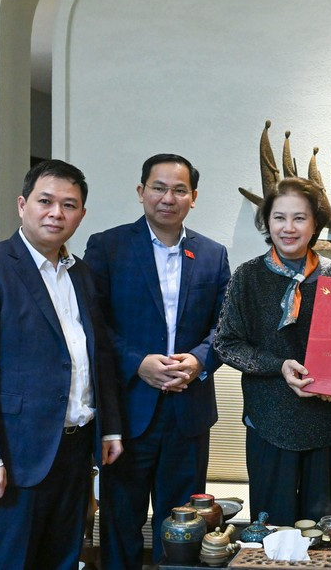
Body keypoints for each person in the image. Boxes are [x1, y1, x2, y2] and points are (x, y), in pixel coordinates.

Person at [0, 160, 123, 569]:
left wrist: (109, 426)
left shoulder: (82, 274)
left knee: (63, 560)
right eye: (45, 201)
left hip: (75, 450)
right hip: (14, 456)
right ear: (22, 204)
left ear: (81, 214)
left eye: (69, 204)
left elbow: (97, 356)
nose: (56, 213)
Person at [83, 153, 230, 567]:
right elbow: (92, 324)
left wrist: (200, 360)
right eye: (159, 187)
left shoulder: (213, 254)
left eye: (179, 190)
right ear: (141, 191)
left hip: (188, 412)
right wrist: (137, 363)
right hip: (128, 412)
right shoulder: (108, 246)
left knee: (184, 527)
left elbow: (227, 327)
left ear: (194, 197)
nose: (169, 197)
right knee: (120, 522)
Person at [214, 176, 331, 526]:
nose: (288, 228)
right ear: (267, 222)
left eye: (299, 218)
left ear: (315, 224)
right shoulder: (247, 276)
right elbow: (226, 343)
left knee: (321, 531)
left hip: (326, 420)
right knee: (271, 530)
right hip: (268, 420)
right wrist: (280, 366)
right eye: (279, 217)